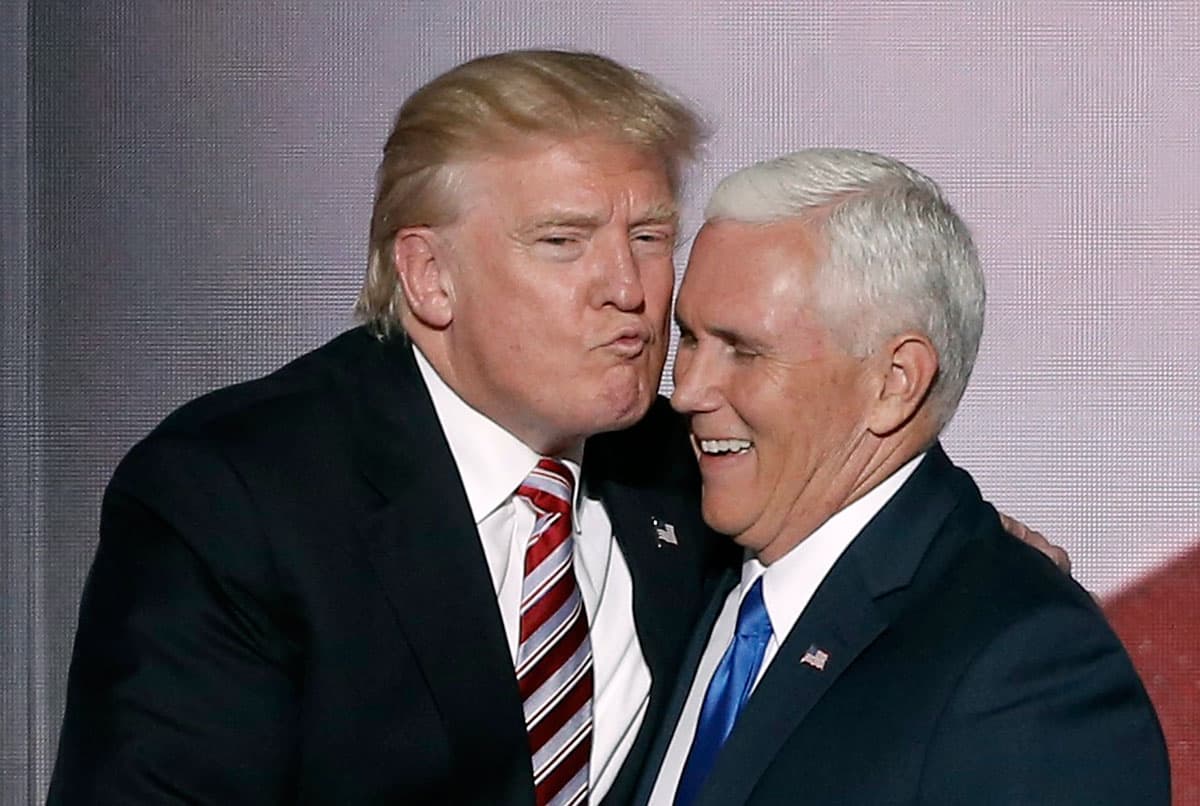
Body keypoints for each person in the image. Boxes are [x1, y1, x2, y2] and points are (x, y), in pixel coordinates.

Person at [49, 52, 1065, 805]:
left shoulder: (692, 464)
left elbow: (867, 496)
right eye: (563, 242)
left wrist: (964, 559)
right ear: (430, 275)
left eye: (650, 235)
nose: (628, 289)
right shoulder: (236, 495)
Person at [637, 148, 1170, 806]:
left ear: (894, 384)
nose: (686, 389)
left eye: (743, 350)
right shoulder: (669, 565)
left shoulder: (1026, 666)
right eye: (688, 338)